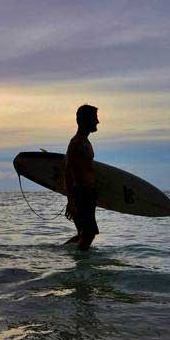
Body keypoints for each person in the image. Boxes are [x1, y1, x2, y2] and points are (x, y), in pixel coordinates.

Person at [64, 104, 100, 251]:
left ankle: (61, 253)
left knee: (83, 234)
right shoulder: (77, 143)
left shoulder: (85, 142)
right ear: (85, 120)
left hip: (88, 194)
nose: (98, 121)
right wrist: (71, 201)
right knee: (89, 234)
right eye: (95, 118)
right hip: (81, 193)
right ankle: (82, 263)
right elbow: (67, 172)